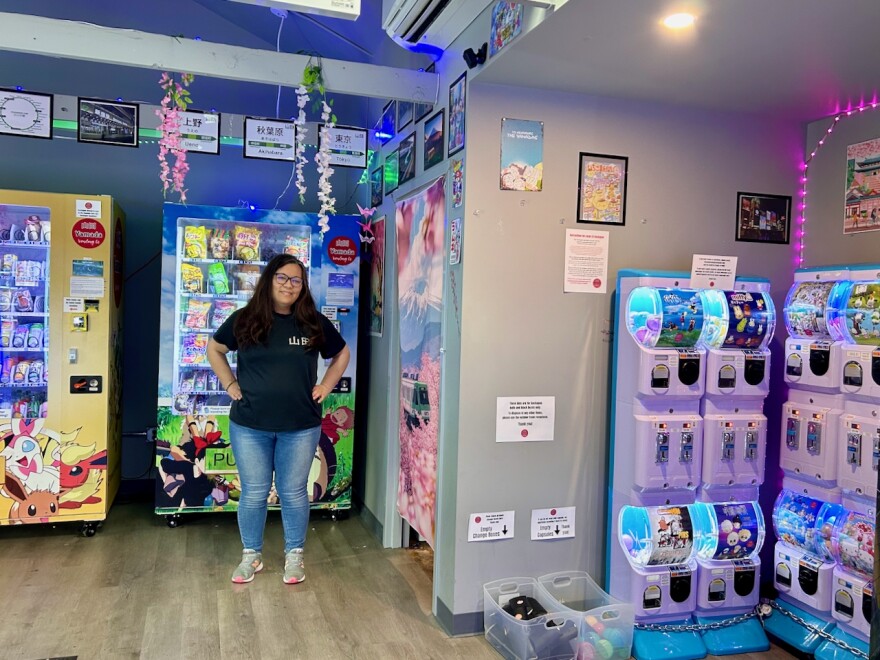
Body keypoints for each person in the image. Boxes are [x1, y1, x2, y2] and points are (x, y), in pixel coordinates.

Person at [207, 254, 350, 584]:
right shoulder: (244, 319)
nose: (289, 285)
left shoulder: (312, 321)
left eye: (296, 280)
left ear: (303, 286)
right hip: (250, 425)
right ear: (269, 280)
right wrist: (230, 384)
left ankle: (294, 556)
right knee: (255, 493)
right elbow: (214, 349)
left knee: (294, 492)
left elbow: (341, 353)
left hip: (300, 425)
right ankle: (251, 556)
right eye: (283, 278)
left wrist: (326, 385)